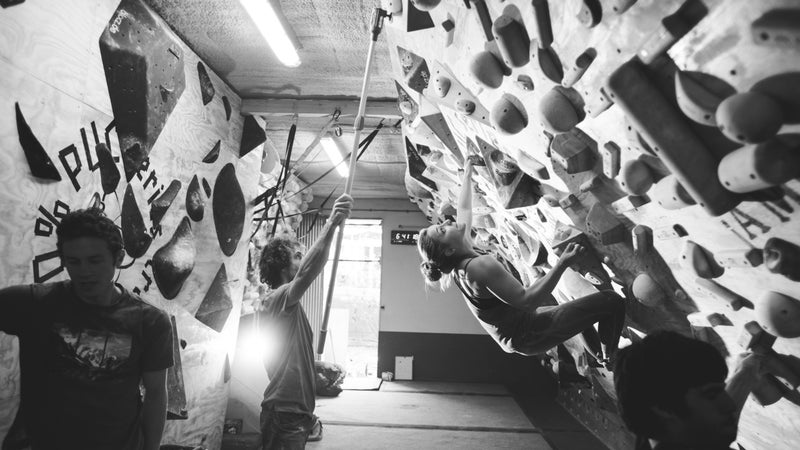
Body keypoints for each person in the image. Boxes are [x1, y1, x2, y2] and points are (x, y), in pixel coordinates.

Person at [417, 158, 625, 362]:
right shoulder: (478, 267)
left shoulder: (457, 259)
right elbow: (528, 301)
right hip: (526, 333)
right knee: (612, 301)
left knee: (579, 314)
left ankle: (599, 355)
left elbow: (464, 211)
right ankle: (610, 356)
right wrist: (563, 262)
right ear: (449, 250)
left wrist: (467, 174)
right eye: (442, 229)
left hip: (519, 326)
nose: (446, 221)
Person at [0, 208, 173, 450]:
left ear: (119, 257)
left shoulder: (150, 321)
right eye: (73, 261)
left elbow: (156, 394)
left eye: (95, 260)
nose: (84, 272)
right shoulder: (35, 304)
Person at [256, 194, 353, 449]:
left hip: (294, 412)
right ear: (282, 265)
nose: (301, 260)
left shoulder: (288, 307)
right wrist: (330, 223)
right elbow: (308, 272)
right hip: (283, 413)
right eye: (296, 255)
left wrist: (316, 366)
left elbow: (288, 356)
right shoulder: (276, 299)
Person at [614, 330, 768, 450]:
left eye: (718, 392)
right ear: (664, 409)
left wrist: (745, 374)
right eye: (711, 395)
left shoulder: (655, 428)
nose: (729, 405)